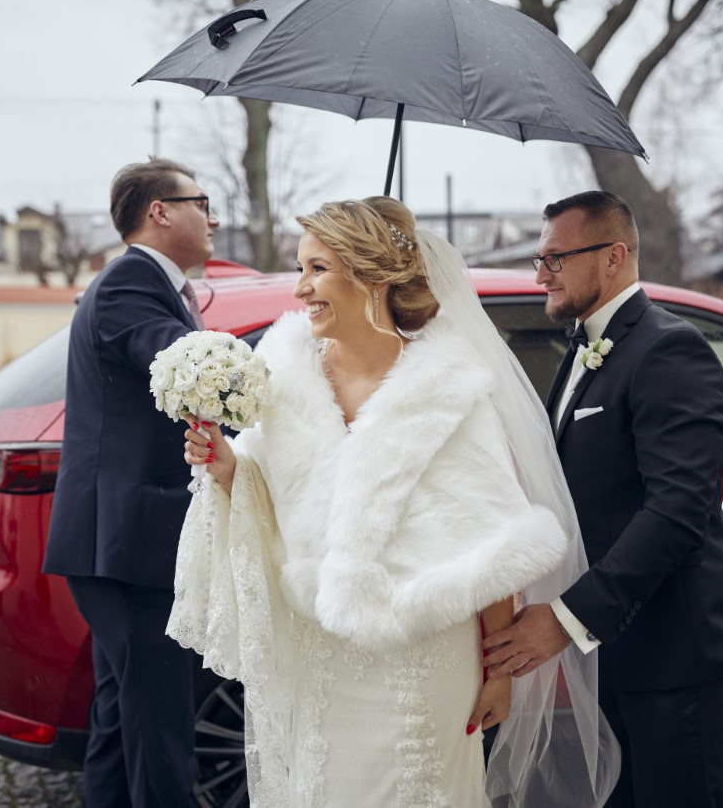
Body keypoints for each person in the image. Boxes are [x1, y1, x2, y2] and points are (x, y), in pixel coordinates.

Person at [170, 196, 620, 807]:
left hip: (425, 656)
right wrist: (229, 470)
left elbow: (491, 545)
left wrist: (498, 676)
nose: (300, 288)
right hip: (321, 654)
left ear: (372, 277)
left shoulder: (448, 390)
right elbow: (270, 498)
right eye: (300, 268)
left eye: (317, 268)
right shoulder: (282, 378)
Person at [483, 190, 723, 807]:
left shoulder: (669, 349)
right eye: (539, 259)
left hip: (671, 650)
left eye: (556, 259)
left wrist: (567, 617)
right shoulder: (584, 346)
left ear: (614, 257)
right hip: (612, 647)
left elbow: (678, 511)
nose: (541, 274)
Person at [42, 157, 220, 808]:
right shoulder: (129, 282)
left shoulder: (158, 285)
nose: (214, 218)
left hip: (131, 542)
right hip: (127, 546)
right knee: (160, 734)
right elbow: (185, 366)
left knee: (122, 727)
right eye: (202, 202)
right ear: (160, 211)